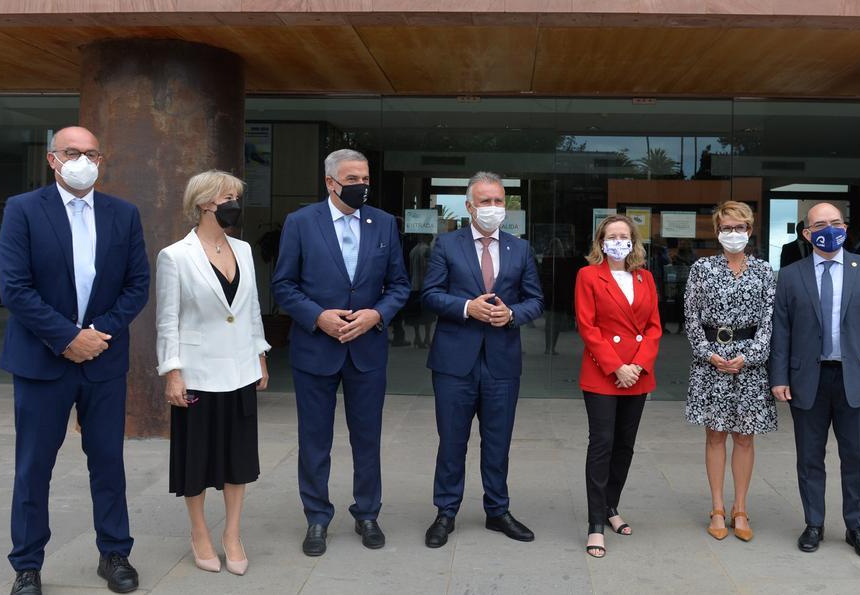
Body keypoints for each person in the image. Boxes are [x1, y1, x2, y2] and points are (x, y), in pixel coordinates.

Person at [0, 126, 149, 595]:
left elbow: (136, 285)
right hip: (43, 361)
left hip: (103, 360)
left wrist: (95, 335)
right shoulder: (23, 210)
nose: (81, 160)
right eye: (71, 152)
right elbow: (15, 288)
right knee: (33, 467)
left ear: (101, 160)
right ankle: (27, 565)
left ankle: (115, 553)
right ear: (52, 159)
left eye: (90, 153)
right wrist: (67, 338)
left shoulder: (123, 214)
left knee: (108, 462)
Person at [271, 149, 410, 556]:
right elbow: (283, 285)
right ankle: (317, 517)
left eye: (365, 178)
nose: (361, 185)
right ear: (331, 182)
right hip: (316, 349)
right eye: (352, 179)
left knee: (367, 438)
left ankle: (367, 513)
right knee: (315, 440)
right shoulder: (300, 223)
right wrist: (317, 317)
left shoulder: (384, 223)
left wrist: (376, 315)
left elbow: (400, 284)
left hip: (367, 350)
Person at [770, 202, 860, 559]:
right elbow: (781, 332)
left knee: (857, 457)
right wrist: (778, 377)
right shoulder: (790, 275)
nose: (830, 229)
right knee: (810, 458)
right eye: (821, 224)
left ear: (845, 227)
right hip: (807, 381)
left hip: (855, 378)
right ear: (807, 233)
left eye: (836, 222)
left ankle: (856, 527)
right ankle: (814, 523)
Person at [155, 170, 270, 576]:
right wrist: (172, 372)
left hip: (239, 368)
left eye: (237, 196)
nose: (235, 203)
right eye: (228, 197)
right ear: (205, 202)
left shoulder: (242, 249)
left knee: (239, 458)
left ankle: (233, 534)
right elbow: (167, 321)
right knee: (196, 460)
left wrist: (260, 354)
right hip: (198, 372)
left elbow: (251, 307)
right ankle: (200, 532)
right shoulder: (175, 256)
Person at [421, 171, 544, 549]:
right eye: (485, 201)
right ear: (469, 206)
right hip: (454, 361)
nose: (493, 208)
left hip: (502, 362)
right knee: (452, 441)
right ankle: (445, 511)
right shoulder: (446, 244)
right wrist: (465, 307)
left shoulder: (519, 249)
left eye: (499, 201)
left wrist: (513, 315)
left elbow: (535, 299)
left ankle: (497, 510)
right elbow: (429, 294)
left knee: (498, 441)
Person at [684, 201, 777, 543]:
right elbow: (690, 317)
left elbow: (769, 322)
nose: (733, 233)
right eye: (727, 228)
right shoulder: (701, 269)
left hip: (748, 363)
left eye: (740, 228)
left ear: (750, 231)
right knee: (715, 435)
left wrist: (749, 356)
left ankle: (740, 507)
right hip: (710, 361)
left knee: (744, 436)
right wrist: (707, 353)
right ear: (717, 231)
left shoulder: (765, 271)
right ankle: (717, 507)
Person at [573, 215, 661, 558]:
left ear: (633, 241)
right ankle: (596, 523)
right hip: (603, 373)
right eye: (612, 236)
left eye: (624, 236)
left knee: (625, 445)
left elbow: (654, 326)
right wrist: (616, 367)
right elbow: (587, 326)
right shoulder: (588, 276)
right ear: (601, 242)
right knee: (602, 445)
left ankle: (611, 507)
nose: (618, 241)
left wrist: (637, 365)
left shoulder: (646, 277)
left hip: (637, 373)